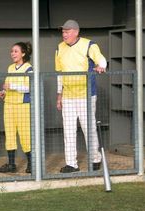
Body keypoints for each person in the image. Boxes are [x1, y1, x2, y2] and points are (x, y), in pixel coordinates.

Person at [55, 19, 107, 173]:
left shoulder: (89, 45)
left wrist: (101, 66)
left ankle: (95, 158)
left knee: (88, 128)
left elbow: (101, 59)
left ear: (76, 32)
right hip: (68, 96)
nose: (64, 34)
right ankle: (71, 163)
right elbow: (59, 74)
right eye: (63, 31)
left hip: (86, 94)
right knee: (68, 130)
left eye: (67, 31)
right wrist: (59, 96)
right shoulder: (59, 48)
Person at [0, 42, 33, 174]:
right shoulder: (10, 68)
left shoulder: (29, 68)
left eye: (16, 51)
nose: (13, 53)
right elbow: (7, 85)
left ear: (23, 53)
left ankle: (31, 163)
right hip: (9, 105)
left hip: (22, 106)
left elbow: (30, 87)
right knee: (10, 135)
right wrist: (4, 92)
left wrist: (12, 87)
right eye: (12, 51)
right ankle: (11, 164)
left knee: (25, 136)